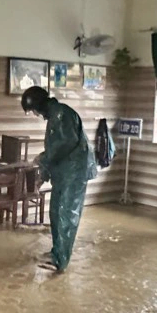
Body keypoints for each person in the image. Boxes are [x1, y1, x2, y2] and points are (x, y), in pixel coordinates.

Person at [21, 86, 96, 273]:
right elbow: (55, 153)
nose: (35, 114)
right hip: (63, 174)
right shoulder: (55, 117)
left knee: (66, 215)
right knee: (55, 212)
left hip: (75, 173)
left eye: (33, 110)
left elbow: (63, 146)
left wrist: (42, 158)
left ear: (39, 106)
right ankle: (57, 252)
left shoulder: (62, 115)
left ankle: (60, 261)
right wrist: (42, 176)